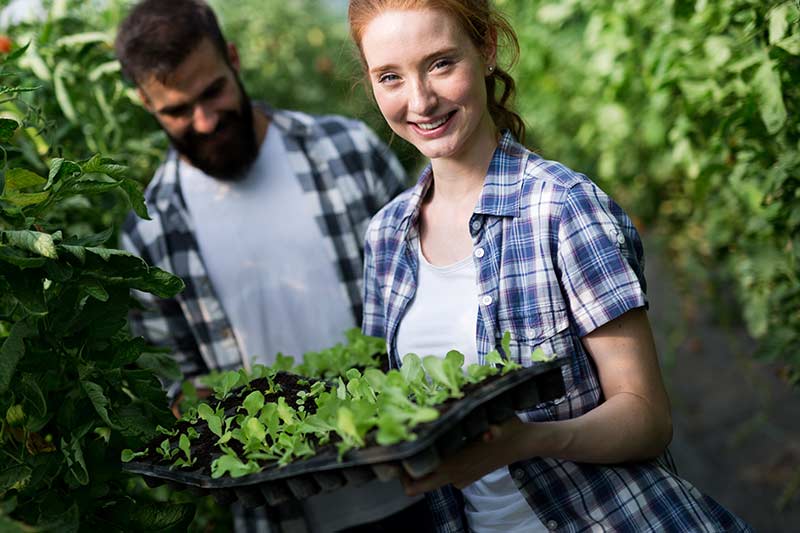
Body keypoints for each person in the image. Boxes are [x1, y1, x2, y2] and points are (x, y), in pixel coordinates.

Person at [349, 0, 753, 531]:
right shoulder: (386, 237)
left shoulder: (562, 207)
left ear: (487, 49)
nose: (420, 100)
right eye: (390, 77)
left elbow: (647, 417)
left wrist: (530, 440)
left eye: (441, 63)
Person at [114, 1, 433, 531]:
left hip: (418, 482)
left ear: (233, 58)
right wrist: (192, 404)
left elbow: (428, 286)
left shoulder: (345, 152)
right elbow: (168, 381)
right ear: (145, 104)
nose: (205, 120)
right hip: (282, 516)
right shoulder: (150, 234)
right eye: (176, 110)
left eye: (213, 90)